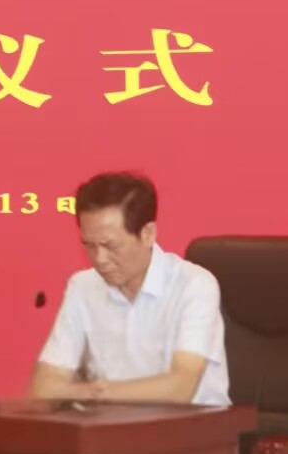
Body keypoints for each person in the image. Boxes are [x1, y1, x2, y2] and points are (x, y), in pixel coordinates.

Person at [30, 171, 229, 406]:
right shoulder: (82, 287)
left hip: (193, 426)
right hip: (108, 425)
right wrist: (88, 392)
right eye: (89, 245)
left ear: (148, 234)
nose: (100, 259)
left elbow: (180, 388)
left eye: (110, 246)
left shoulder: (194, 285)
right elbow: (43, 387)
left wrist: (93, 392)